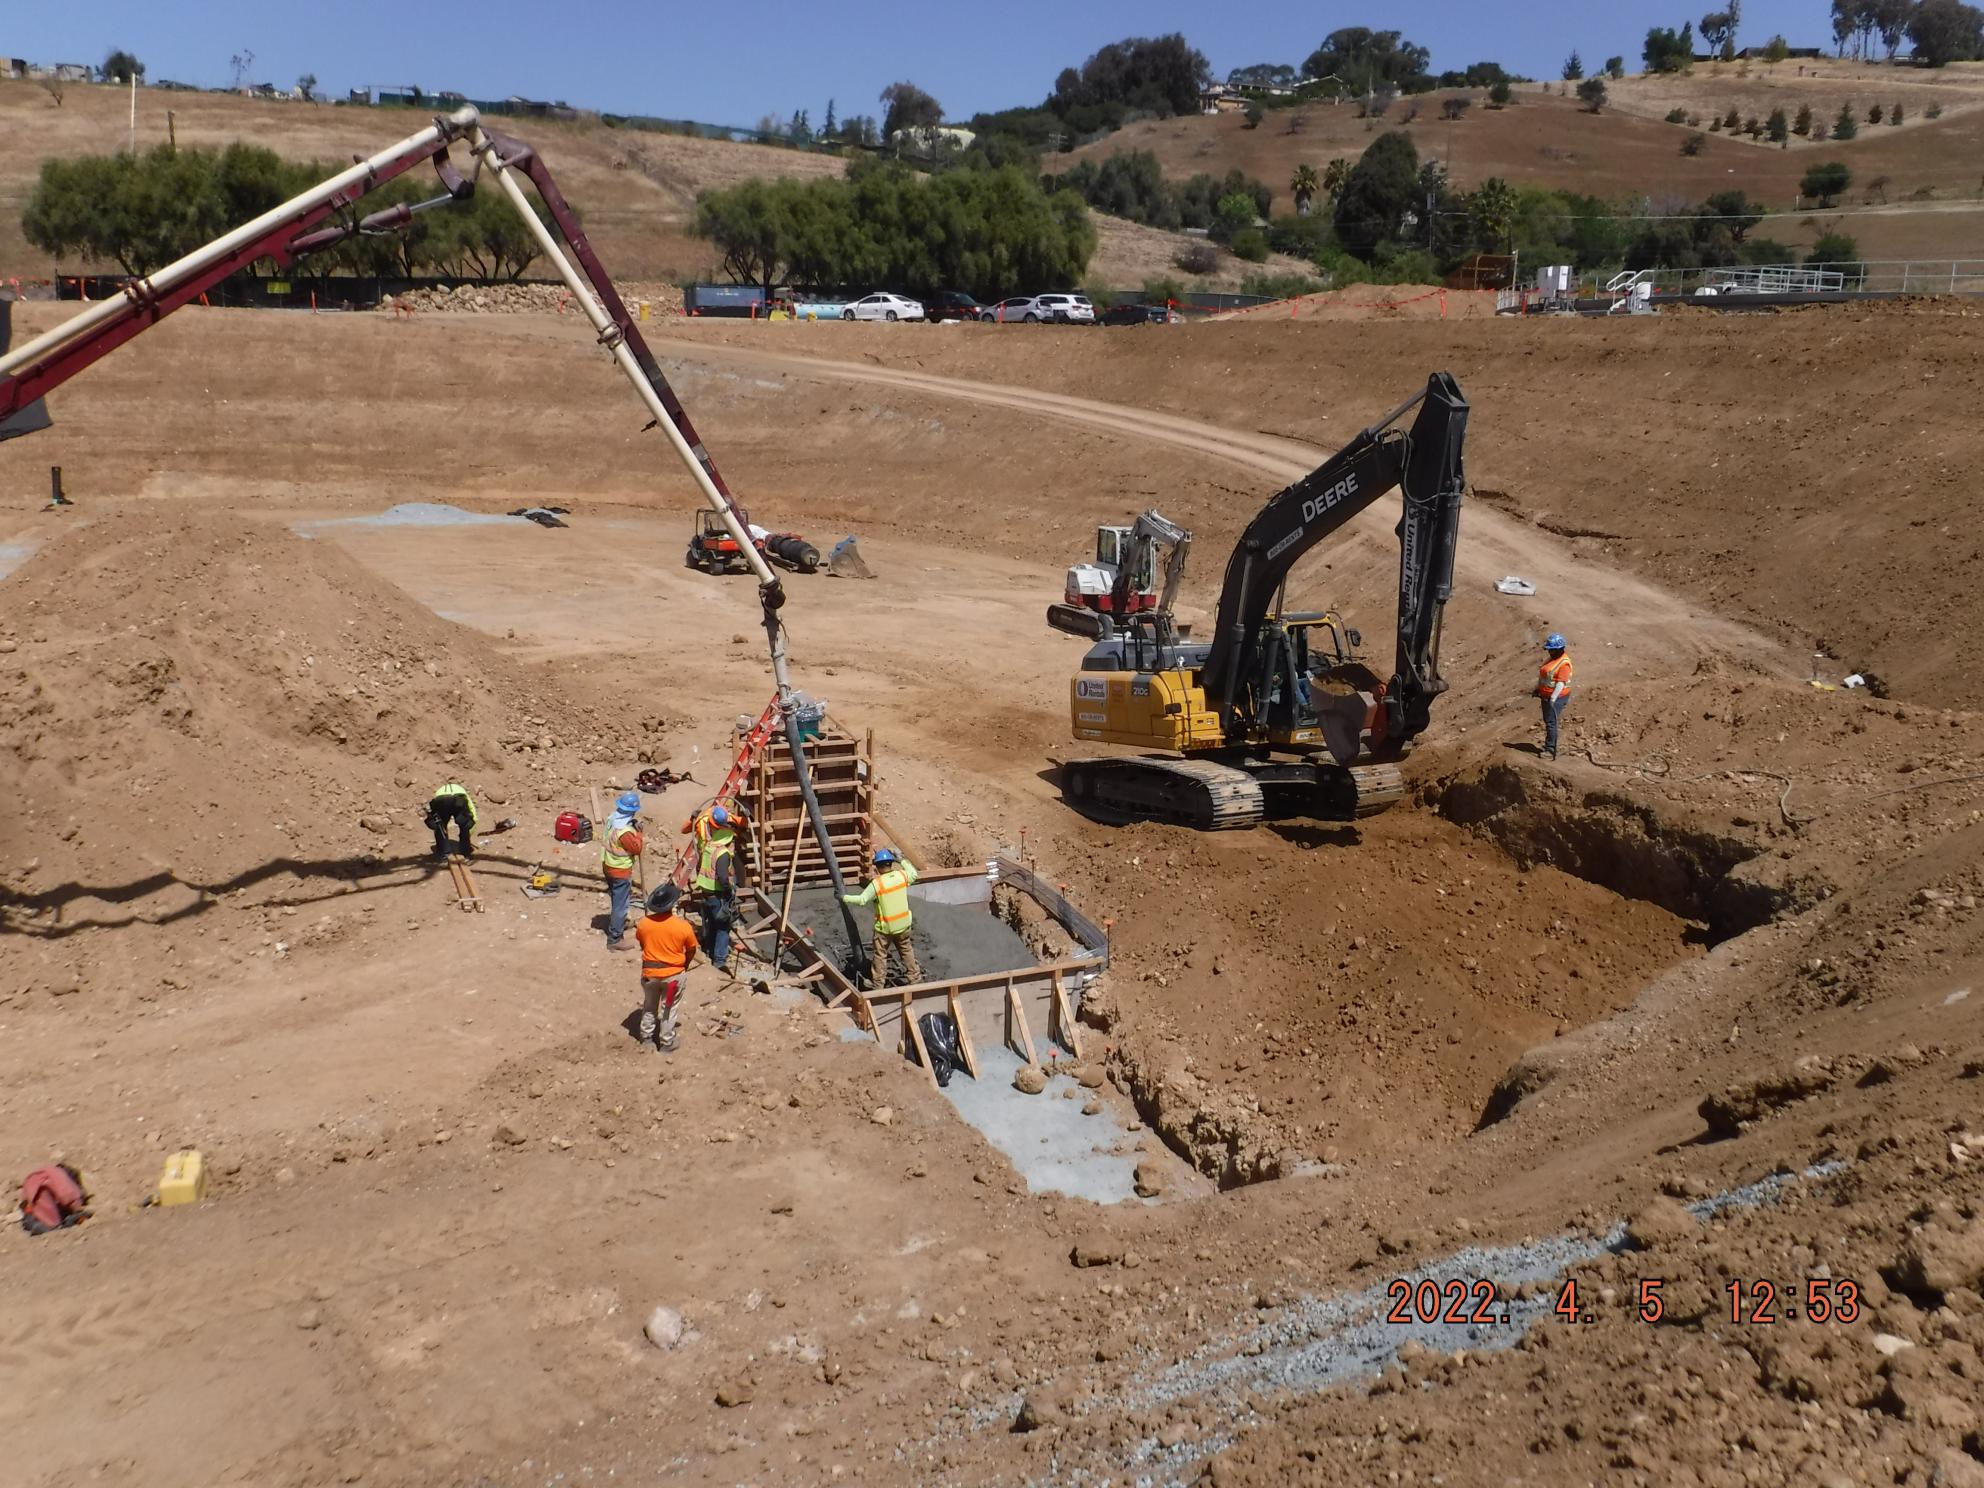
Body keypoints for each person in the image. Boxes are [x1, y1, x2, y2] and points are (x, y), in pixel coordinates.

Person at [634, 884, 700, 1053]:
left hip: (650, 975)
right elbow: (691, 949)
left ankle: (646, 1038)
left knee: (649, 1005)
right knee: (668, 1007)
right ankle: (666, 1041)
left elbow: (643, 944)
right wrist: (684, 966)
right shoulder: (683, 927)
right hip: (673, 977)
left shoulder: (643, 924)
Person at [843, 847, 921, 988]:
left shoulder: (877, 884)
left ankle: (878, 984)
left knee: (880, 955)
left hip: (885, 929)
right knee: (906, 951)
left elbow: (862, 900)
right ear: (891, 863)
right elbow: (914, 874)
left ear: (877, 867)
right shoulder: (901, 876)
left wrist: (844, 897)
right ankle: (914, 979)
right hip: (903, 925)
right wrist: (902, 859)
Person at [690, 802, 746, 976]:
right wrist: (728, 890)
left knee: (711, 923)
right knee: (722, 926)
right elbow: (722, 877)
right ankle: (719, 960)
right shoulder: (722, 854)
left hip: (706, 891)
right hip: (717, 894)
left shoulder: (709, 847)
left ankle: (708, 949)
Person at [600, 790, 644, 951]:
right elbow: (636, 848)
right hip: (620, 870)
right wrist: (639, 833)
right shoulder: (624, 832)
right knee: (621, 904)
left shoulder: (612, 819)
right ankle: (615, 939)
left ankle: (618, 924)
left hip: (608, 865)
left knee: (616, 899)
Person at [1535, 633, 1573, 761]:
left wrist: (1553, 698)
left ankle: (1550, 749)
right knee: (1548, 721)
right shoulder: (1553, 659)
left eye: (1552, 650)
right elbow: (1545, 675)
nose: (1550, 652)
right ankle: (1549, 746)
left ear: (1560, 649)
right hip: (1546, 695)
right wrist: (1538, 689)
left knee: (1551, 723)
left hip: (1556, 697)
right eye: (1549, 649)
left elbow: (1560, 683)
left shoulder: (1564, 664)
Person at [425, 782, 477, 860]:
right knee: (464, 824)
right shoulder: (463, 793)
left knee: (440, 826)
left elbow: (432, 809)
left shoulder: (440, 791)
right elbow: (472, 811)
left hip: (441, 800)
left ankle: (444, 853)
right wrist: (469, 830)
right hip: (459, 800)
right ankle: (465, 853)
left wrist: (435, 822)